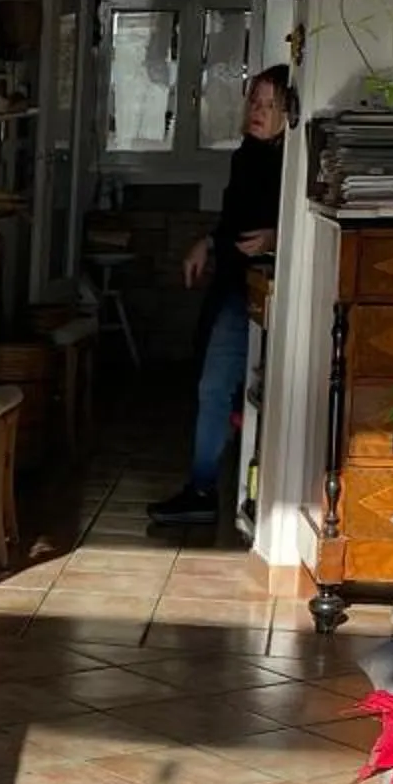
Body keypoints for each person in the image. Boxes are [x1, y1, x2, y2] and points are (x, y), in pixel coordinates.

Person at [150, 64, 295, 524]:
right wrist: (207, 242)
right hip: (235, 283)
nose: (258, 112)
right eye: (255, 101)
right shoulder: (246, 155)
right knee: (213, 382)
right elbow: (233, 219)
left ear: (289, 112)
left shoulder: (294, 160)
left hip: (274, 287)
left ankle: (227, 489)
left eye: (270, 105)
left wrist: (275, 238)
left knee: (239, 387)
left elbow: (293, 223)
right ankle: (202, 488)